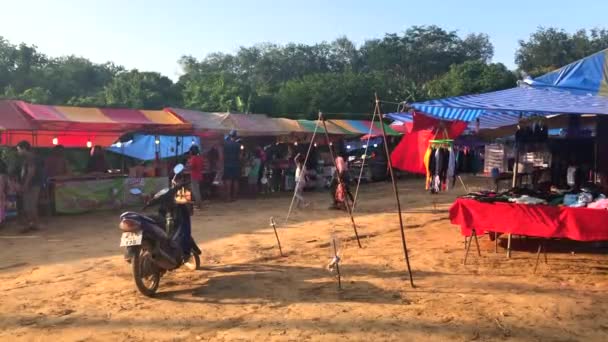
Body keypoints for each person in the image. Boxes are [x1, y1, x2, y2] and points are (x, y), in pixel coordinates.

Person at [16, 141, 43, 232]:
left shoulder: (30, 157)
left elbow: (31, 172)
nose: (18, 151)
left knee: (31, 205)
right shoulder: (27, 158)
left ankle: (35, 224)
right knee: (28, 205)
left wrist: (26, 184)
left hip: (33, 184)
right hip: (31, 184)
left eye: (18, 149)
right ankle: (31, 223)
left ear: (24, 148)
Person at [223, 130, 242, 201]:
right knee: (236, 181)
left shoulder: (225, 144)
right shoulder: (238, 145)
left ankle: (228, 197)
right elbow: (240, 157)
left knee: (228, 180)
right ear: (236, 136)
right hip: (236, 164)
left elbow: (222, 155)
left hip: (227, 164)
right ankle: (235, 197)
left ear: (229, 136)